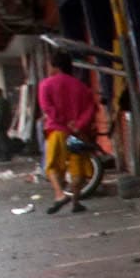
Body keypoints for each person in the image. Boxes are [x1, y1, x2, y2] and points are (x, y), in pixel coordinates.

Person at [36, 58, 97, 213]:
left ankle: (59, 195)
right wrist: (77, 125)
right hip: (78, 133)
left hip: (57, 131)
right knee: (77, 169)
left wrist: (63, 121)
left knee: (52, 166)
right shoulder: (82, 87)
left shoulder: (46, 84)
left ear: (54, 66)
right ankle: (76, 202)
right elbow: (91, 109)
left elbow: (47, 108)